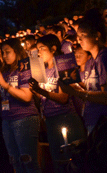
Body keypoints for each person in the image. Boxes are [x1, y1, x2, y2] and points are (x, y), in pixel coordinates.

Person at [28, 34, 86, 173]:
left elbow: (63, 98)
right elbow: (42, 98)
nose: (39, 52)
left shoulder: (62, 66)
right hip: (50, 120)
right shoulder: (40, 70)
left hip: (66, 118)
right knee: (58, 161)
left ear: (53, 48)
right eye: (37, 49)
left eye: (42, 48)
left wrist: (40, 91)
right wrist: (35, 91)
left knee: (75, 159)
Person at [0, 38, 41, 173]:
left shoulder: (24, 68)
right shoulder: (5, 71)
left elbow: (27, 96)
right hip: (7, 119)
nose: (4, 56)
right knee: (15, 161)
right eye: (2, 53)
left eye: (7, 52)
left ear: (17, 51)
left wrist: (5, 85)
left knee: (29, 161)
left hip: (24, 118)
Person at [60, 9, 107, 134]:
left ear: (97, 35)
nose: (79, 40)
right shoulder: (91, 61)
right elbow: (91, 90)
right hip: (91, 120)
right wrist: (73, 85)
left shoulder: (103, 58)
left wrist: (77, 93)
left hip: (102, 122)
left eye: (83, 36)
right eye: (78, 37)